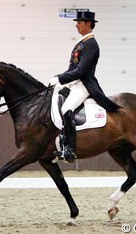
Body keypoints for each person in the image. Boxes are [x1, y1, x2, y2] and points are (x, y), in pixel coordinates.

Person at [49, 11, 120, 162]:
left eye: (79, 22)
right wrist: (59, 78)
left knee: (66, 109)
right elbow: (72, 68)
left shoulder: (91, 44)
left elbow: (81, 71)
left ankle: (70, 149)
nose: (77, 25)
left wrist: (60, 79)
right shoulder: (81, 43)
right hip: (74, 83)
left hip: (84, 85)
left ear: (88, 24)